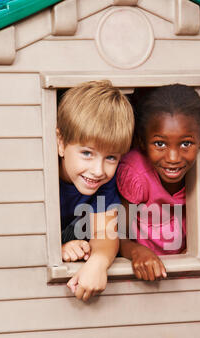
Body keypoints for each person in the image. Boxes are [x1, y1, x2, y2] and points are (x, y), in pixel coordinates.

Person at [116, 83, 200, 281]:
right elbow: (117, 235)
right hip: (143, 270)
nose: (173, 157)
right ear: (141, 141)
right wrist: (137, 252)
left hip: (185, 271)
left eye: (186, 144)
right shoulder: (136, 173)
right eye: (160, 144)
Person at [57, 80, 134, 301]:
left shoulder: (104, 182)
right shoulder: (40, 175)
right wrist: (58, 248)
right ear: (61, 142)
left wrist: (98, 263)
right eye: (87, 153)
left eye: (111, 157)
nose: (98, 170)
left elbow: (105, 233)